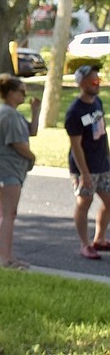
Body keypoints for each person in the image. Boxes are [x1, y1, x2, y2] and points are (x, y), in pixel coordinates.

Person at [0, 73, 40, 269]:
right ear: (10, 93)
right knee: (8, 214)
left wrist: (36, 111)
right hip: (5, 169)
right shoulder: (7, 113)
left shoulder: (10, 112)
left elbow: (31, 131)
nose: (24, 95)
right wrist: (32, 157)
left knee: (9, 213)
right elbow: (17, 143)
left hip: (8, 169)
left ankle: (7, 256)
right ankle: (3, 258)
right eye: (20, 91)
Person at [64, 64, 110, 260]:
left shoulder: (97, 102)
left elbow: (102, 133)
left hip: (102, 163)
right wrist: (84, 173)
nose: (97, 83)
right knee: (85, 202)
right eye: (93, 80)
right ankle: (85, 244)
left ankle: (99, 239)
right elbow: (76, 146)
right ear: (81, 83)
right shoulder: (75, 112)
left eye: (98, 79)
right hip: (84, 166)